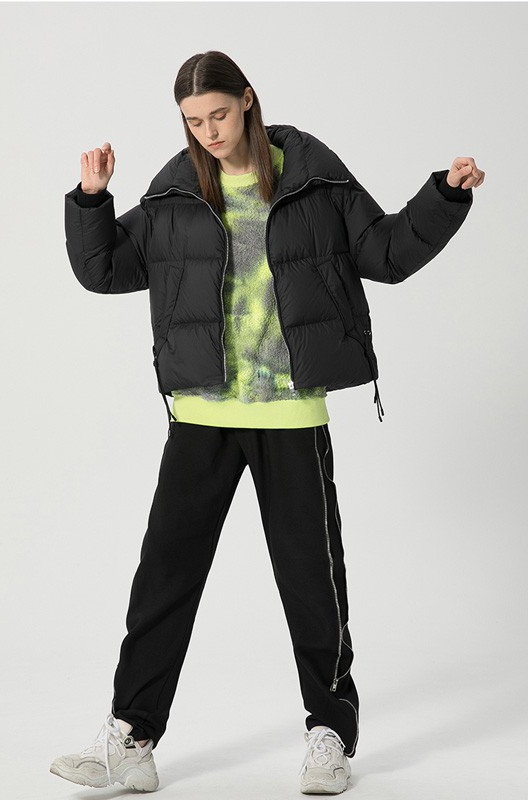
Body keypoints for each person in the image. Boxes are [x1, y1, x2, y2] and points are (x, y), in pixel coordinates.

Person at [50, 50, 483, 795]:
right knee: (164, 580)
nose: (208, 132)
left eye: (218, 114)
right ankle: (132, 739)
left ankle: (329, 735)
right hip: (202, 414)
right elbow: (106, 270)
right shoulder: (176, 191)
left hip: (290, 413)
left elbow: (384, 251)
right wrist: (92, 201)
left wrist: (443, 195)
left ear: (248, 100)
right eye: (193, 122)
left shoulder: (313, 178)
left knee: (312, 582)